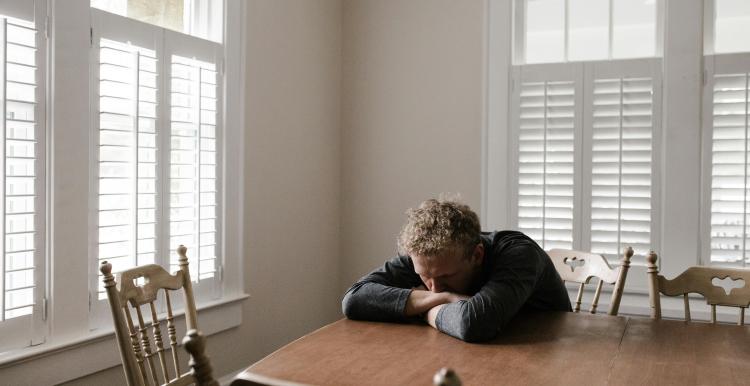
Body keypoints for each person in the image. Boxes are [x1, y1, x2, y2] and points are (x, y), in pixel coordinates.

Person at [341, 197, 572, 342]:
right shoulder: (428, 257)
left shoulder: (519, 253)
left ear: (477, 255)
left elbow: (474, 324)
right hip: (474, 351)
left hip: (554, 353)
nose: (434, 288)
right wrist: (446, 298)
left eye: (446, 278)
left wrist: (423, 309)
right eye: (425, 277)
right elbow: (354, 299)